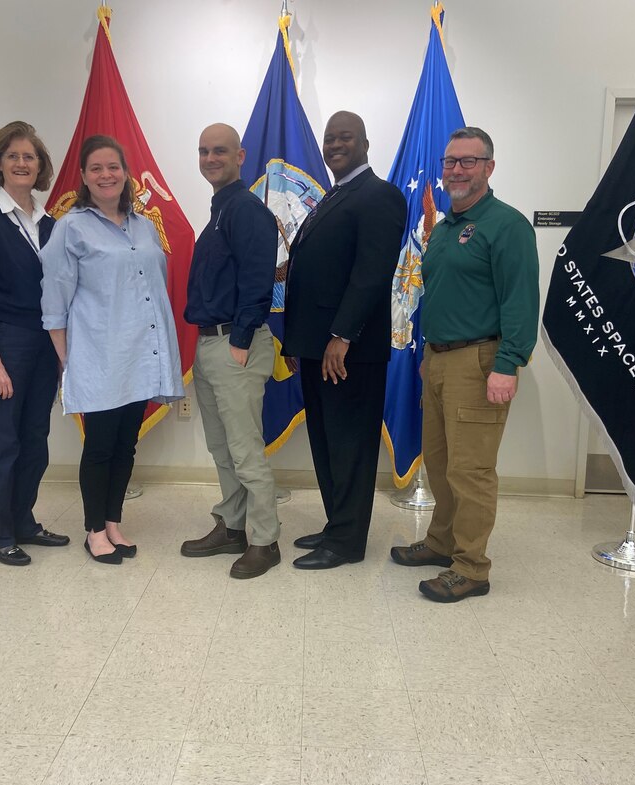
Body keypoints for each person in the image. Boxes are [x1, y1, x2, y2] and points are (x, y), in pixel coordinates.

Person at [390, 126, 539, 602]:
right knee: (439, 462)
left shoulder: (506, 225)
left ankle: (472, 567)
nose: (456, 170)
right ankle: (442, 543)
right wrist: (430, 355)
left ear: (489, 168)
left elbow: (520, 300)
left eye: (468, 161)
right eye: (450, 161)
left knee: (471, 470)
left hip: (481, 361)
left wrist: (508, 363)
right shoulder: (445, 228)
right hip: (438, 359)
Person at [40, 135, 184, 565]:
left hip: (141, 355)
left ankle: (114, 522)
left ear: (125, 173)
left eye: (113, 167)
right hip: (99, 356)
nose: (106, 175)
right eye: (97, 168)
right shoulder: (71, 226)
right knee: (100, 445)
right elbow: (54, 300)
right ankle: (93, 530)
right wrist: (69, 358)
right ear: (84, 177)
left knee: (126, 445)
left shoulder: (142, 226)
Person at [282, 111, 407, 570]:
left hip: (349, 352)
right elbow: (313, 273)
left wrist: (341, 335)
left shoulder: (379, 195)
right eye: (330, 138)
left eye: (345, 137)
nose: (335, 144)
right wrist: (298, 343)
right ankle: (337, 524)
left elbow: (371, 274)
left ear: (365, 143)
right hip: (317, 350)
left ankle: (348, 542)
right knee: (327, 442)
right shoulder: (334, 196)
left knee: (350, 446)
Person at [0, 121, 70, 567]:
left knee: (36, 438)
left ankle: (24, 521)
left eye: (30, 157)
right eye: (13, 156)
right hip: (3, 343)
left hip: (45, 344)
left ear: (40, 166)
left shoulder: (52, 225)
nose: (22, 163)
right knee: (4, 440)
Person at [180, 123, 281, 579]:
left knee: (245, 450)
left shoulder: (245, 210)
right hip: (210, 343)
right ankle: (234, 526)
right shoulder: (220, 210)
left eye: (219, 150)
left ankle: (265, 540)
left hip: (234, 345)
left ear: (240, 156)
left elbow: (260, 281)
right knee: (222, 447)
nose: (210, 158)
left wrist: (239, 341)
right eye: (203, 151)